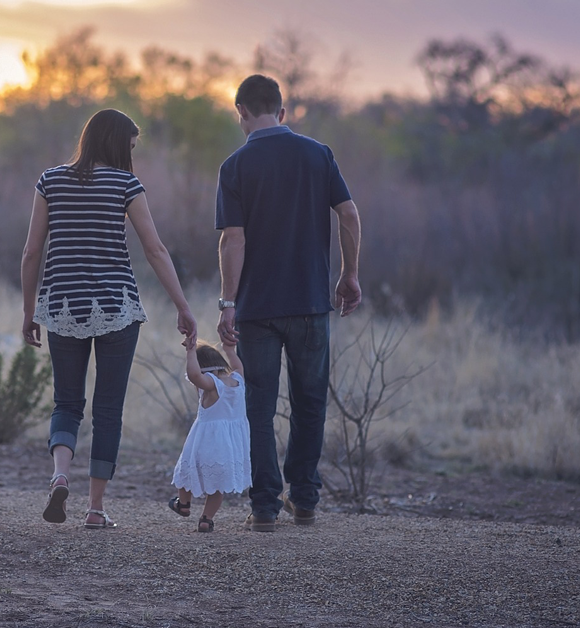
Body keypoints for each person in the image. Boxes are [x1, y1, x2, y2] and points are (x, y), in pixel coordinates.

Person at [20, 108, 197, 530]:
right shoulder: (126, 184)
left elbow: (31, 252)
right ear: (118, 144)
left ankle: (60, 474)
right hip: (117, 307)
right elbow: (155, 250)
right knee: (108, 410)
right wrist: (183, 306)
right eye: (131, 146)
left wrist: (29, 312)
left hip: (62, 306)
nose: (132, 155)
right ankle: (95, 509)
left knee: (67, 402)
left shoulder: (50, 181)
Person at [215, 75, 363, 532]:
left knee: (258, 407)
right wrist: (349, 274)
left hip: (258, 309)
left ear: (240, 112)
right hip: (312, 302)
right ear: (282, 111)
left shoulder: (235, 166)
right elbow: (349, 214)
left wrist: (227, 302)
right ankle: (305, 499)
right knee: (310, 402)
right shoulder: (318, 154)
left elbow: (232, 240)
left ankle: (263, 507)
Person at [168, 340, 251, 532]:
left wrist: (190, 352)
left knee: (186, 472)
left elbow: (194, 375)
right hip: (230, 446)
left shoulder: (212, 384)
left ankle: (184, 504)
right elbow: (238, 365)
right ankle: (206, 519)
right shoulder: (238, 380)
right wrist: (230, 350)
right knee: (217, 486)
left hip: (206, 442)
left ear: (205, 370)